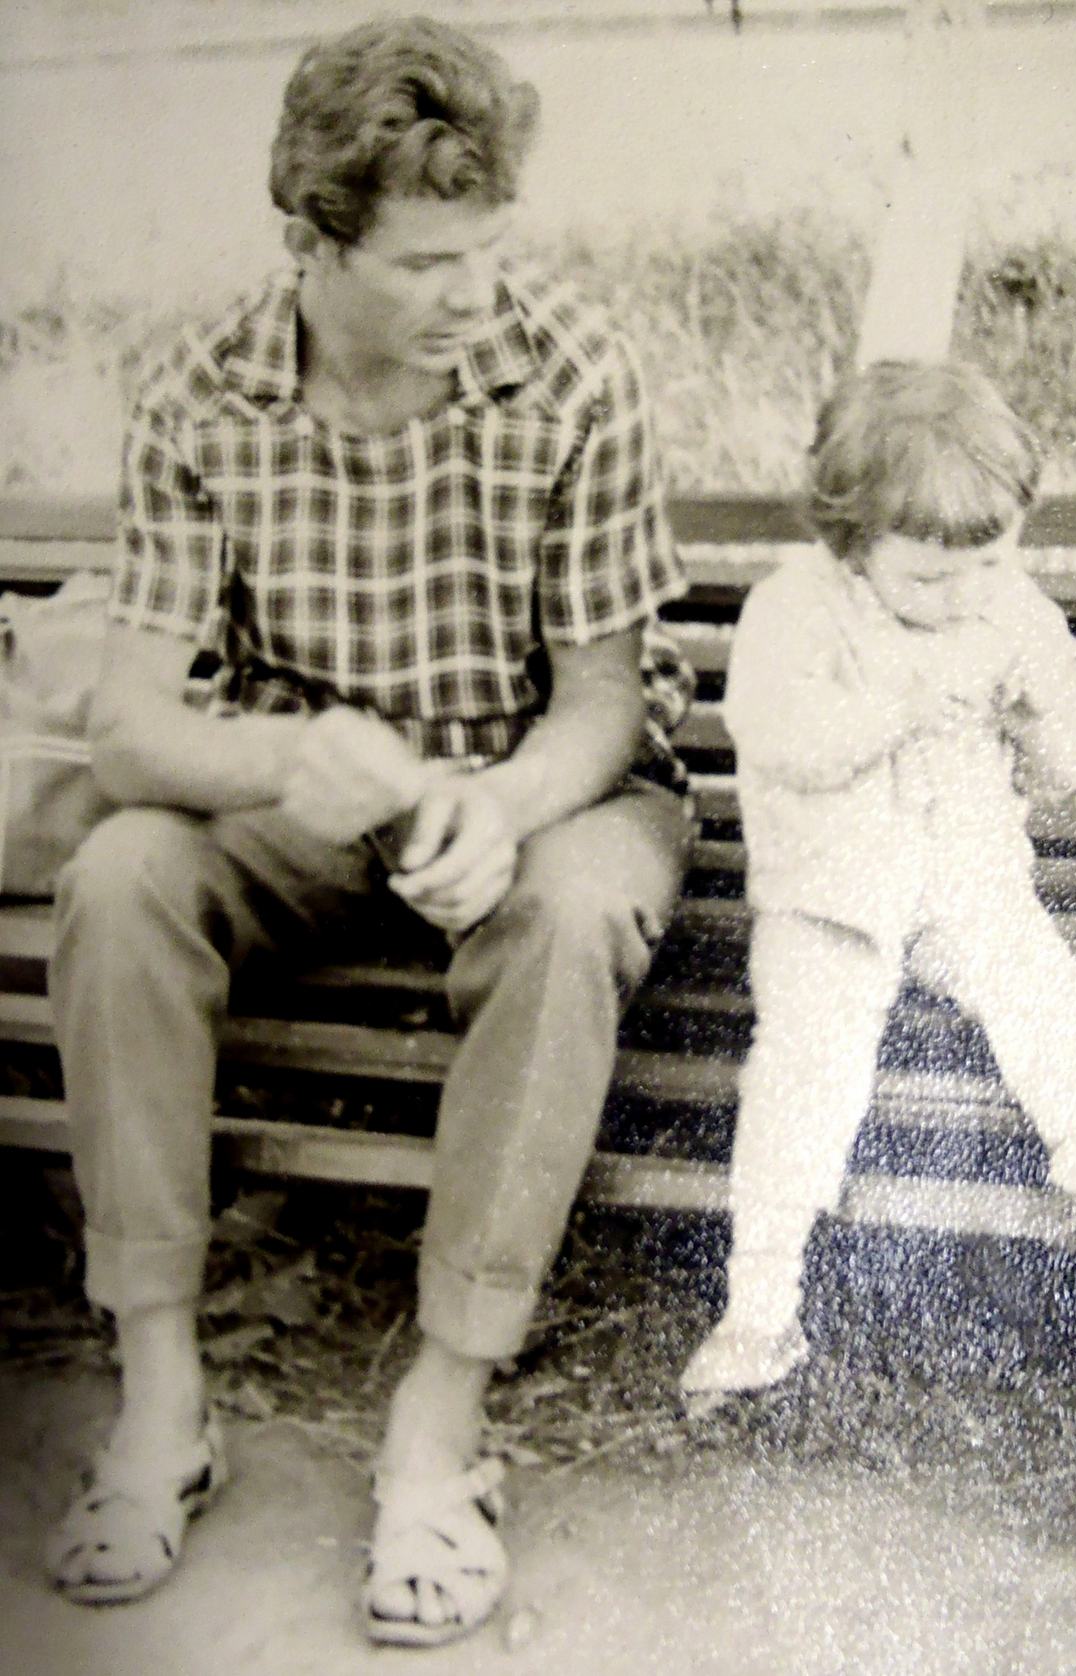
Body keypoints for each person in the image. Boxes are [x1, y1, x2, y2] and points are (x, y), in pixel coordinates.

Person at [44, 14, 694, 1647]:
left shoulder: (570, 372)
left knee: (569, 915)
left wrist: (504, 801)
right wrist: (281, 753)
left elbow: (604, 705)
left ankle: (440, 1421)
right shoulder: (205, 394)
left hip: (543, 788)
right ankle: (162, 1396)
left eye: (489, 249)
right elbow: (127, 728)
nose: (473, 295)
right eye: (424, 264)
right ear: (311, 243)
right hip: (312, 803)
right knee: (121, 873)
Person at [680, 358, 1076, 1405]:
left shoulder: (1010, 611)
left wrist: (1041, 707)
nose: (962, 596)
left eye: (987, 564)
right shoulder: (795, 609)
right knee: (804, 1060)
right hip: (832, 898)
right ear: (851, 543)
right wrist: (897, 706)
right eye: (926, 579)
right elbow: (777, 738)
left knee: (1040, 984)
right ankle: (759, 1307)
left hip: (966, 885)